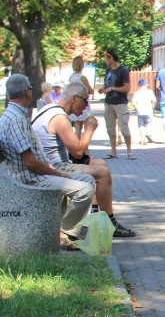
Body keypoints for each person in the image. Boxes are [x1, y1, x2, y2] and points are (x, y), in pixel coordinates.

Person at [0, 74, 94, 248]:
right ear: (27, 92)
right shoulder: (16, 120)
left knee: (87, 179)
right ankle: (61, 234)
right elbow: (30, 162)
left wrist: (59, 173)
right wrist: (58, 173)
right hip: (30, 178)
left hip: (34, 174)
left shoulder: (13, 115)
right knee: (85, 190)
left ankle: (68, 231)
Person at [31, 81, 136, 237]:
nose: (86, 105)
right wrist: (90, 130)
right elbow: (78, 152)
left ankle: (95, 213)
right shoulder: (60, 117)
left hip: (50, 163)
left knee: (99, 164)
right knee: (102, 173)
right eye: (85, 100)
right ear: (74, 98)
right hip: (54, 167)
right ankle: (108, 222)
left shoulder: (50, 109)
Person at [99, 49, 133, 159]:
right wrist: (103, 89)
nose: (105, 61)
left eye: (106, 58)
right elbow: (106, 84)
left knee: (124, 127)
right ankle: (113, 151)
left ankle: (129, 152)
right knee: (110, 128)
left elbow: (127, 88)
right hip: (108, 102)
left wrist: (113, 88)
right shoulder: (108, 70)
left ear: (111, 58)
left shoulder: (123, 70)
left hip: (120, 103)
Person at [68, 56, 94, 137]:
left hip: (75, 103)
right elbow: (91, 90)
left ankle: (76, 146)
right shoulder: (82, 78)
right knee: (87, 126)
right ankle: (85, 147)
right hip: (83, 102)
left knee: (77, 127)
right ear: (82, 65)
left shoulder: (71, 77)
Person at [131, 79, 157, 144]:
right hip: (148, 110)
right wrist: (152, 107)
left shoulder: (137, 93)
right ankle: (149, 134)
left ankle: (142, 139)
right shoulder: (149, 92)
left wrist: (136, 108)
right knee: (149, 124)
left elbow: (133, 102)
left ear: (139, 85)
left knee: (141, 125)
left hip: (140, 111)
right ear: (146, 85)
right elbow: (154, 100)